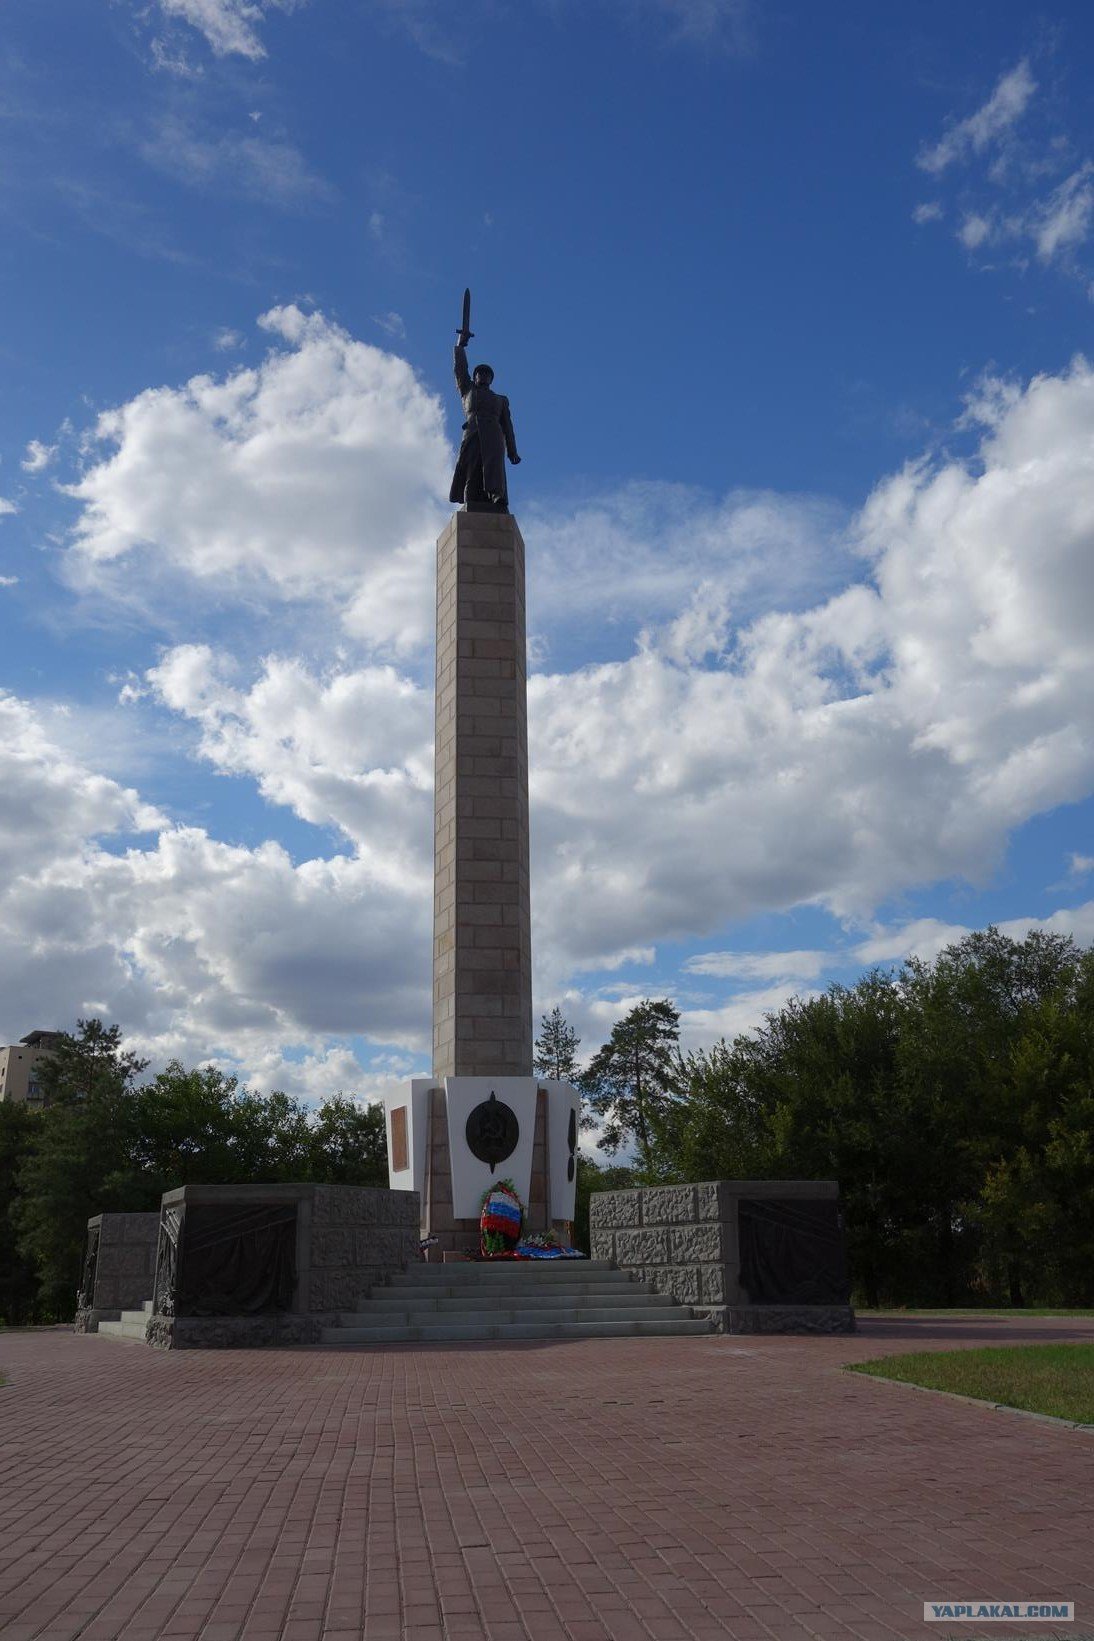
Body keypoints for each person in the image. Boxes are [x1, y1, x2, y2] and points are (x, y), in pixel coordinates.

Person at [448, 329, 520, 511]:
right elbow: (460, 369)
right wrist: (460, 345)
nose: (483, 375)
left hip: (494, 435)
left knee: (494, 468)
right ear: (475, 377)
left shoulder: (501, 400)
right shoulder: (467, 391)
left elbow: (508, 427)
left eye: (487, 374)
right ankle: (470, 497)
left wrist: (512, 450)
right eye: (479, 373)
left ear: (491, 379)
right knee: (472, 467)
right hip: (473, 432)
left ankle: (497, 496)